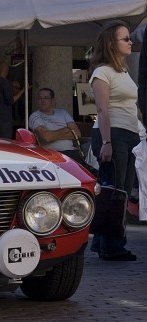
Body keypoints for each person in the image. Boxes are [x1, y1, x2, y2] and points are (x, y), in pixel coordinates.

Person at [88, 20, 140, 261]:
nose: (130, 42)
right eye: (125, 38)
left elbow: (132, 107)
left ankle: (102, 242)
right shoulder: (102, 72)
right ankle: (112, 245)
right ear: (111, 43)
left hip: (130, 134)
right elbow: (102, 109)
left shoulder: (124, 72)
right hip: (113, 134)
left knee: (120, 190)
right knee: (115, 190)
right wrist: (107, 142)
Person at [29, 87, 85, 165]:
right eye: (39, 98)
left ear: (53, 101)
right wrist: (66, 129)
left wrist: (53, 135)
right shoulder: (35, 116)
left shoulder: (63, 113)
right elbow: (47, 137)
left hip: (72, 152)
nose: (42, 101)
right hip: (52, 154)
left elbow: (77, 134)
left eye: (46, 98)